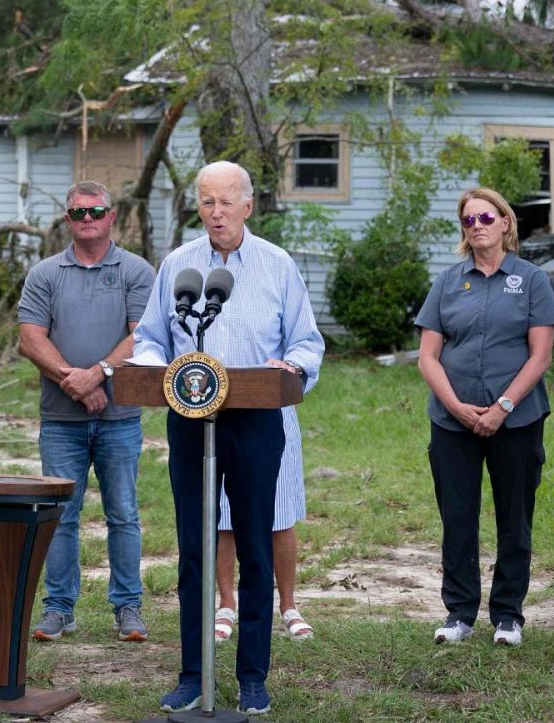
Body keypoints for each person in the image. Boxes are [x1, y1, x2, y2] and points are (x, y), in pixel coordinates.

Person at [133, 160, 324, 717]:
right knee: (194, 547)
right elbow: (149, 338)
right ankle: (193, 675)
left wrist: (285, 367)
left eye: (225, 202)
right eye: (206, 202)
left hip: (255, 418)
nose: (215, 213)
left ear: (247, 205)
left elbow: (307, 343)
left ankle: (252, 677)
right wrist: (151, 368)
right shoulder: (177, 265)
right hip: (189, 415)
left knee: (256, 548)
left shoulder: (276, 264)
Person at [414, 187, 554, 647]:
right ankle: (459, 613)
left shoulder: (532, 279)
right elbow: (428, 357)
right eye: (468, 220)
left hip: (516, 421)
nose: (476, 226)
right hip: (452, 421)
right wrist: (456, 406)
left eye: (484, 217)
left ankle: (508, 616)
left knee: (514, 516)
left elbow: (540, 356)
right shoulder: (448, 281)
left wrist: (503, 407)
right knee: (458, 517)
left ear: (505, 223)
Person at [18, 181, 157, 643]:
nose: (88, 219)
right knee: (61, 515)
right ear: (67, 220)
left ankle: (128, 608)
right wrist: (73, 383)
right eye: (78, 213)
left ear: (112, 216)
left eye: (96, 210)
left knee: (123, 513)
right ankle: (59, 609)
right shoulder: (45, 273)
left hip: (120, 418)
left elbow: (142, 336)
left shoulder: (137, 271)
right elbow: (31, 338)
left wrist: (97, 374)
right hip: (61, 420)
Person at [211, 417, 313, 646]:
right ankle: (226, 604)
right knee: (224, 518)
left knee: (280, 513)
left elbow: (304, 380)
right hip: (222, 413)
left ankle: (288, 605)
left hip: (273, 415)